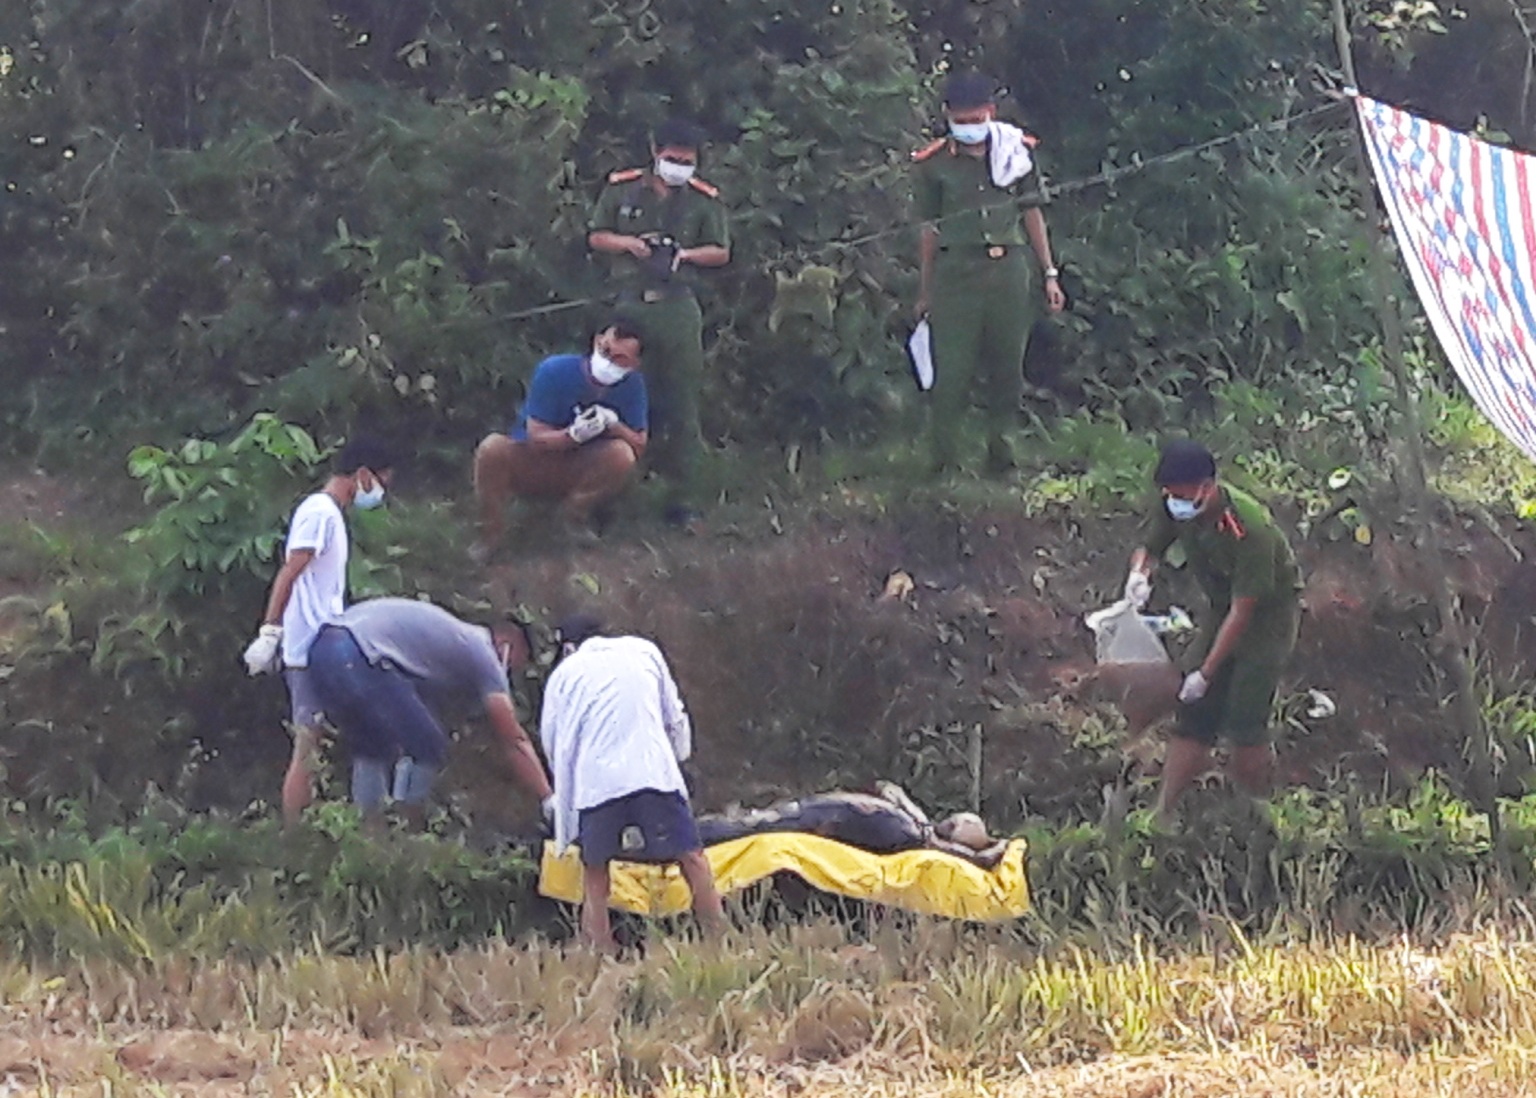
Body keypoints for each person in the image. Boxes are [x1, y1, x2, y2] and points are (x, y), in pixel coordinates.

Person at [1124, 439, 1302, 824]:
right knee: (1193, 715)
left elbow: (1244, 611)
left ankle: (1257, 814)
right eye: (1169, 495)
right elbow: (1150, 545)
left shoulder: (1249, 529)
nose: (1175, 502)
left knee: (1245, 721)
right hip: (1221, 607)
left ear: (1207, 486)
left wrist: (1206, 673)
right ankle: (1163, 814)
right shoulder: (1176, 501)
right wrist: (1139, 575)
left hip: (1266, 619)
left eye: (1182, 494)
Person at [538, 613, 726, 954]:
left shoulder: (564, 674)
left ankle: (600, 951)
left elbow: (552, 740)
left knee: (595, 873)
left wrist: (560, 796)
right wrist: (679, 758)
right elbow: (674, 714)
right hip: (652, 771)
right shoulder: (644, 650)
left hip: (597, 783)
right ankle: (718, 941)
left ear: (567, 647)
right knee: (692, 858)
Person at [912, 71, 1066, 474]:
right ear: (947, 116)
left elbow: (1032, 212)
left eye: (975, 118)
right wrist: (925, 291)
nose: (968, 128)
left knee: (1007, 368)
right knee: (951, 373)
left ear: (991, 112)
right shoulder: (932, 165)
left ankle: (1002, 456)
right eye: (960, 120)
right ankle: (943, 462)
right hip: (956, 273)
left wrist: (1049, 272)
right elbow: (928, 229)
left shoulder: (1016, 152)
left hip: (1009, 272)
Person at [290, 597, 554, 826]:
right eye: (522, 659)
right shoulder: (483, 651)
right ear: (509, 642)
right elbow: (513, 740)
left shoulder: (446, 642)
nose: (515, 670)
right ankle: (407, 833)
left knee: (372, 747)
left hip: (324, 649)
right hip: (357, 652)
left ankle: (370, 838)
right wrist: (547, 798)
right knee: (428, 746)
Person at [241, 437, 395, 827]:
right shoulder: (319, 512)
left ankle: (340, 824)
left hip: (327, 644)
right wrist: (270, 631)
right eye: (380, 482)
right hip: (310, 649)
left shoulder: (332, 516)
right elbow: (290, 571)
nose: (379, 493)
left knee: (326, 739)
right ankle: (295, 834)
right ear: (362, 475)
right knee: (306, 748)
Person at [587, 118, 731, 526]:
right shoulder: (624, 188)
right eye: (672, 159)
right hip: (630, 306)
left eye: (687, 161)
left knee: (683, 406)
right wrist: (630, 245)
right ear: (655, 152)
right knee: (618, 399)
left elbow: (721, 251)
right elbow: (597, 235)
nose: (679, 167)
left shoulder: (704, 199)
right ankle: (608, 501)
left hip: (678, 307)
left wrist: (683, 255)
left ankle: (683, 502)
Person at [471, 318, 649, 559]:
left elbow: (638, 444)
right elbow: (536, 437)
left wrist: (613, 425)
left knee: (622, 455)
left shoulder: (633, 386)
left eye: (619, 359)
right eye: (605, 351)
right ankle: (490, 535)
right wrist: (573, 435)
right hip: (534, 460)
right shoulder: (554, 371)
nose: (608, 362)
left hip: (581, 466)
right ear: (596, 341)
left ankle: (575, 516)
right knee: (491, 449)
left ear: (634, 364)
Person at [697, 781, 1009, 869]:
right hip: (820, 810)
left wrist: (985, 854)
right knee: (751, 821)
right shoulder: (916, 823)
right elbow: (889, 788)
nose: (952, 821)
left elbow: (954, 852)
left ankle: (690, 837)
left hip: (822, 821)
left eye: (957, 826)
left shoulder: (913, 837)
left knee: (751, 828)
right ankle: (693, 832)